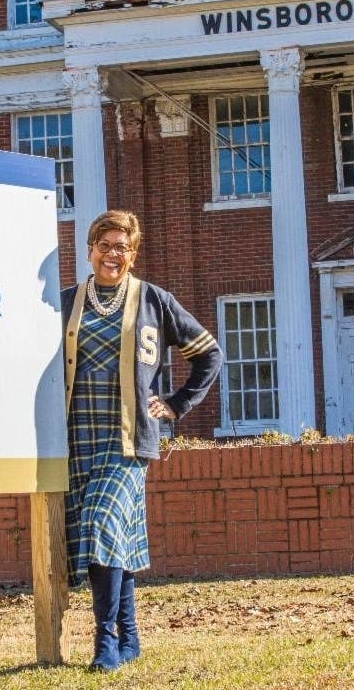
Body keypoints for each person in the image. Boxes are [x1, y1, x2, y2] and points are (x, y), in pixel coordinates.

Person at [61, 210, 222, 672]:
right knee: (113, 540)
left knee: (102, 527)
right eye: (105, 245)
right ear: (90, 249)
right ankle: (130, 638)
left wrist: (175, 403)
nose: (113, 254)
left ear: (133, 254)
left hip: (128, 438)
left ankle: (105, 641)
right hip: (77, 436)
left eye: (123, 248)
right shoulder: (67, 301)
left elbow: (208, 354)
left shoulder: (154, 300)